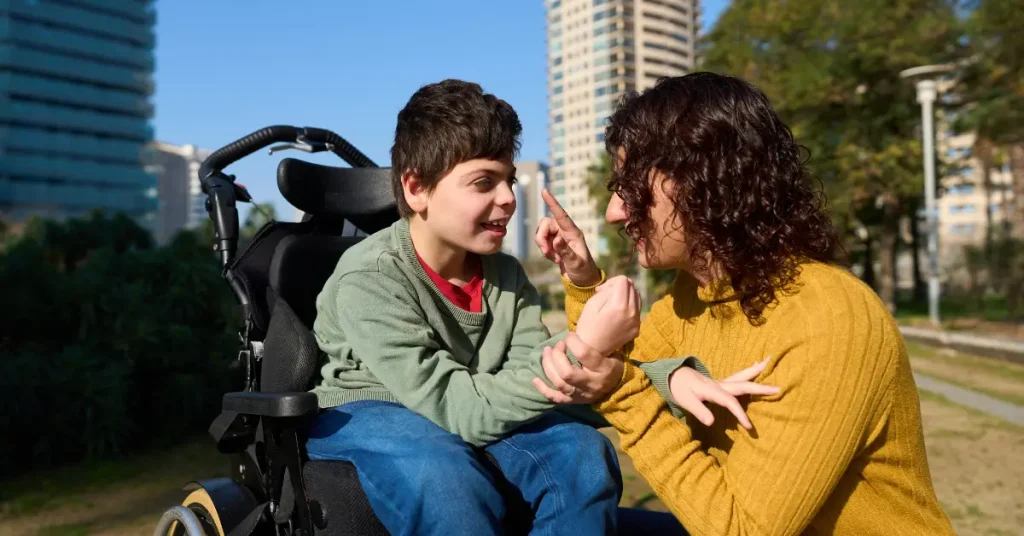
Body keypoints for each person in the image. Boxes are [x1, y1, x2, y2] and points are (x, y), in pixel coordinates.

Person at [532, 72, 956, 535]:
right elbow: (611, 358)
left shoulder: (828, 317)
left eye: (631, 185)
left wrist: (623, 394)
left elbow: (745, 531)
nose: (615, 211)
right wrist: (584, 281)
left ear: (701, 181)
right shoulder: (692, 299)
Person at [306, 78, 674, 536]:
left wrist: (669, 380)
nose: (507, 199)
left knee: (581, 453)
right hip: (370, 410)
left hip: (470, 402)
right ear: (417, 188)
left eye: (509, 180)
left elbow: (537, 378)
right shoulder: (370, 278)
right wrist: (582, 346)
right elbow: (462, 411)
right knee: (442, 477)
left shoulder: (505, 275)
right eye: (484, 182)